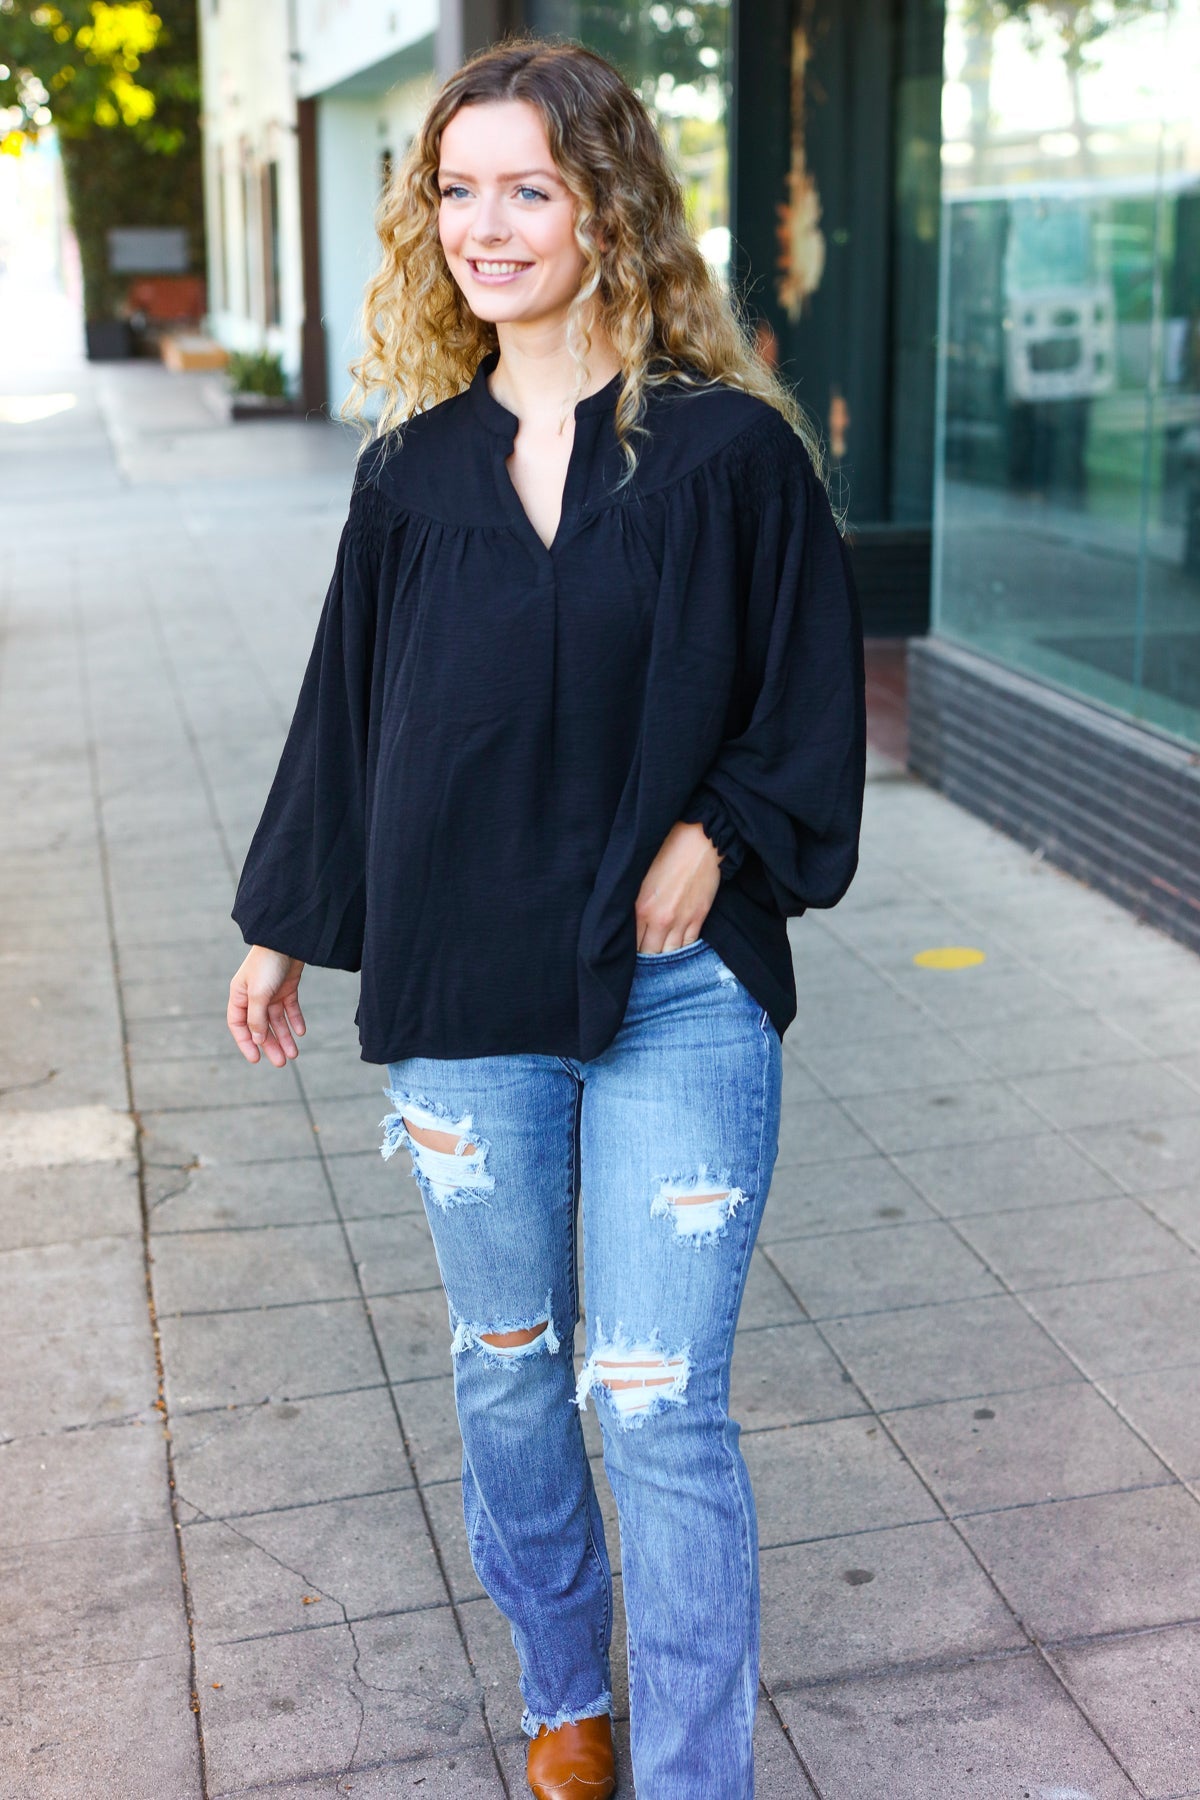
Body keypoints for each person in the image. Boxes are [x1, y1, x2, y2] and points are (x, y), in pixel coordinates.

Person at [227, 34, 865, 1800]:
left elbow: (809, 702)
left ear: (610, 209)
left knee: (654, 1396)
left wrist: (720, 835)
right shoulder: (409, 477)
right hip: (464, 986)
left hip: (678, 988)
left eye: (531, 188)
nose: (487, 226)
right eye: (459, 190)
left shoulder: (728, 456)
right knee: (511, 1375)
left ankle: (693, 1775)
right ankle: (562, 1690)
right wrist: (283, 925)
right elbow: (348, 718)